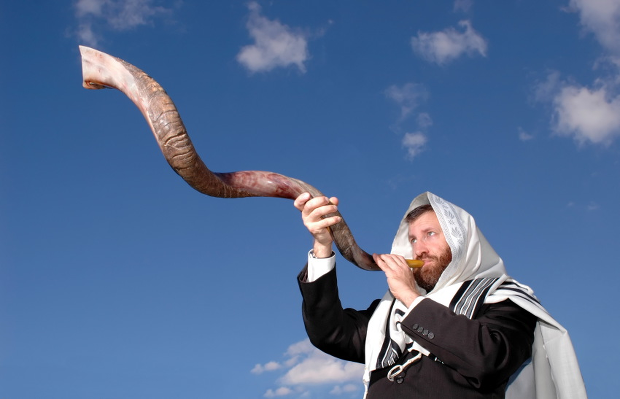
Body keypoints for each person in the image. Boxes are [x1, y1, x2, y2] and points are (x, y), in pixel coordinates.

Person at [294, 191, 586, 399]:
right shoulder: (389, 311)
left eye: (430, 234)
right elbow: (330, 334)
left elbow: (488, 360)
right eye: (412, 239)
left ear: (462, 241)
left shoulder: (504, 299)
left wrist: (410, 296)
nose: (418, 248)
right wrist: (322, 247)